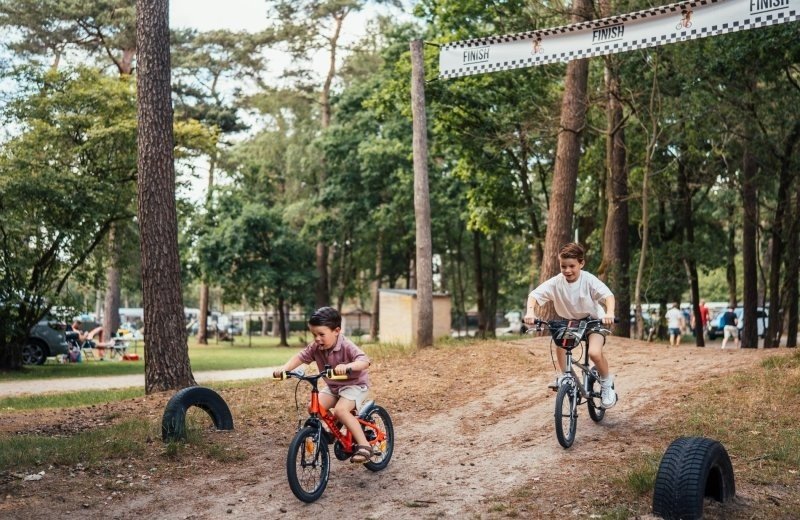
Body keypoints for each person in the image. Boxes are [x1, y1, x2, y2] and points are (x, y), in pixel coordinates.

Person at [273, 306, 373, 463]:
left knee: (340, 410)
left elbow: (364, 361)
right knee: (314, 407)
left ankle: (364, 446)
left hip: (355, 385)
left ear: (336, 331)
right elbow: (300, 357)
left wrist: (348, 367)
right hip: (334, 387)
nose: (317, 339)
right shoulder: (316, 347)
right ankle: (335, 429)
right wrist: (284, 369)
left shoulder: (346, 345)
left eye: (321, 334)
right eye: (314, 335)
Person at [523, 242, 617, 408]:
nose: (567, 270)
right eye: (563, 266)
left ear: (581, 263)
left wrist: (609, 313)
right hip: (568, 321)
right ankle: (564, 376)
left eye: (572, 266)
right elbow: (534, 296)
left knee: (594, 353)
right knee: (561, 344)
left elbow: (608, 296)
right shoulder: (556, 282)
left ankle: (606, 384)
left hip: (593, 320)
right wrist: (530, 312)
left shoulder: (588, 280)